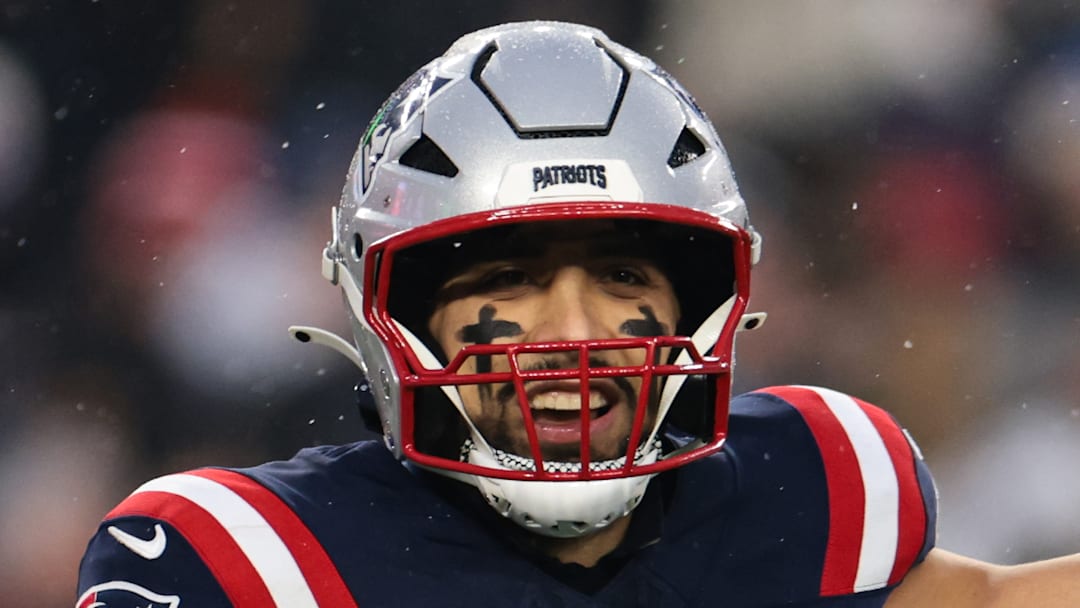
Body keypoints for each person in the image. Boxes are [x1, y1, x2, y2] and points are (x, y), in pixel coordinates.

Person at [75, 21, 1080, 608]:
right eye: (506, 278)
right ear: (393, 304)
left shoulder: (810, 488)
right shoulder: (242, 557)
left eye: (622, 275)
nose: (574, 327)